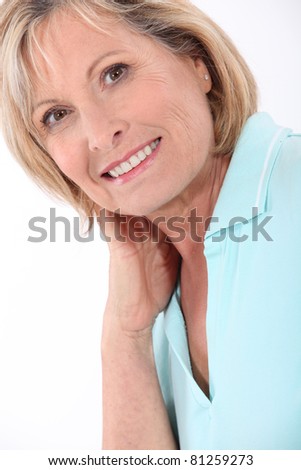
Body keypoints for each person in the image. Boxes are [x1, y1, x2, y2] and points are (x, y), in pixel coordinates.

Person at [0, 0, 300, 450]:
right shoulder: (159, 297)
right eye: (57, 115)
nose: (101, 135)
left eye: (114, 73)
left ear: (197, 61)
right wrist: (125, 334)